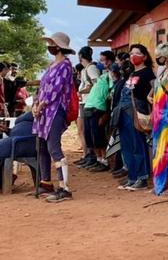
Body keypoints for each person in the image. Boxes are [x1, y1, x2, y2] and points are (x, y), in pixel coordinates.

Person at [33, 32, 75, 203]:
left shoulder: (65, 66)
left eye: (51, 43)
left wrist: (41, 104)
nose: (49, 46)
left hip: (55, 110)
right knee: (42, 146)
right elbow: (42, 87)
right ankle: (46, 182)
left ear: (58, 46)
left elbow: (56, 89)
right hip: (43, 111)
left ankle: (64, 188)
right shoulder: (52, 65)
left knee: (53, 147)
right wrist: (36, 103)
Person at [117, 44, 155, 191]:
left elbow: (154, 91)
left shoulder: (148, 73)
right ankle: (132, 177)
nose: (133, 56)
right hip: (123, 113)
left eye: (137, 53)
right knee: (127, 146)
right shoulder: (132, 74)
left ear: (144, 56)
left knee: (138, 145)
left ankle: (142, 178)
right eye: (131, 53)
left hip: (137, 113)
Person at [148, 43, 168, 196]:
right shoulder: (162, 71)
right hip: (158, 115)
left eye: (158, 56)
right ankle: (159, 183)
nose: (157, 59)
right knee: (158, 150)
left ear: (165, 57)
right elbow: (156, 87)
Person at [83, 50, 115, 172]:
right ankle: (98, 160)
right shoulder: (102, 75)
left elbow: (111, 95)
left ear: (110, 61)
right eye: (100, 60)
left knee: (98, 136)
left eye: (104, 60)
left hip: (98, 108)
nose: (101, 62)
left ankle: (104, 161)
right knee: (90, 137)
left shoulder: (110, 76)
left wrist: (106, 113)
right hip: (89, 106)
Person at [74, 46, 100, 169]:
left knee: (90, 130)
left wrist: (82, 92)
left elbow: (95, 84)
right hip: (85, 102)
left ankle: (94, 157)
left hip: (91, 102)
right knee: (87, 131)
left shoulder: (91, 69)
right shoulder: (86, 69)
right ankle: (89, 155)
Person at [110, 61, 134, 180]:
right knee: (124, 145)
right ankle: (128, 170)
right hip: (121, 114)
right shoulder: (124, 81)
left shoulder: (133, 79)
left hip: (130, 114)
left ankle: (135, 174)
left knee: (133, 145)